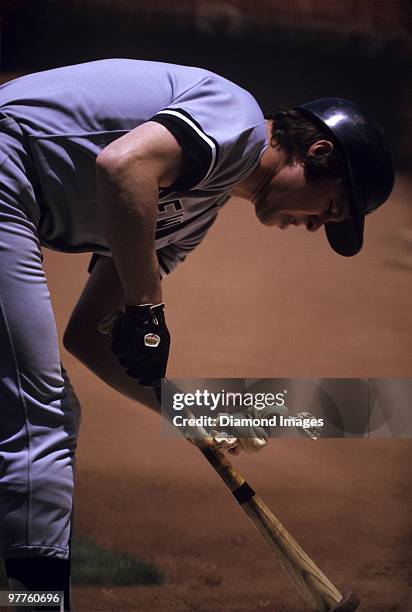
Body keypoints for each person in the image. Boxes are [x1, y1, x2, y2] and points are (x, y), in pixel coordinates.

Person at [0, 59, 394, 609]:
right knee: (38, 414)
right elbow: (122, 164)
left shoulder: (192, 216)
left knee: (34, 411)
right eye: (329, 209)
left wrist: (193, 411)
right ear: (318, 153)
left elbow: (89, 335)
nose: (313, 225)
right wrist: (147, 307)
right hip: (5, 169)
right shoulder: (239, 120)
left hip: (13, 198)